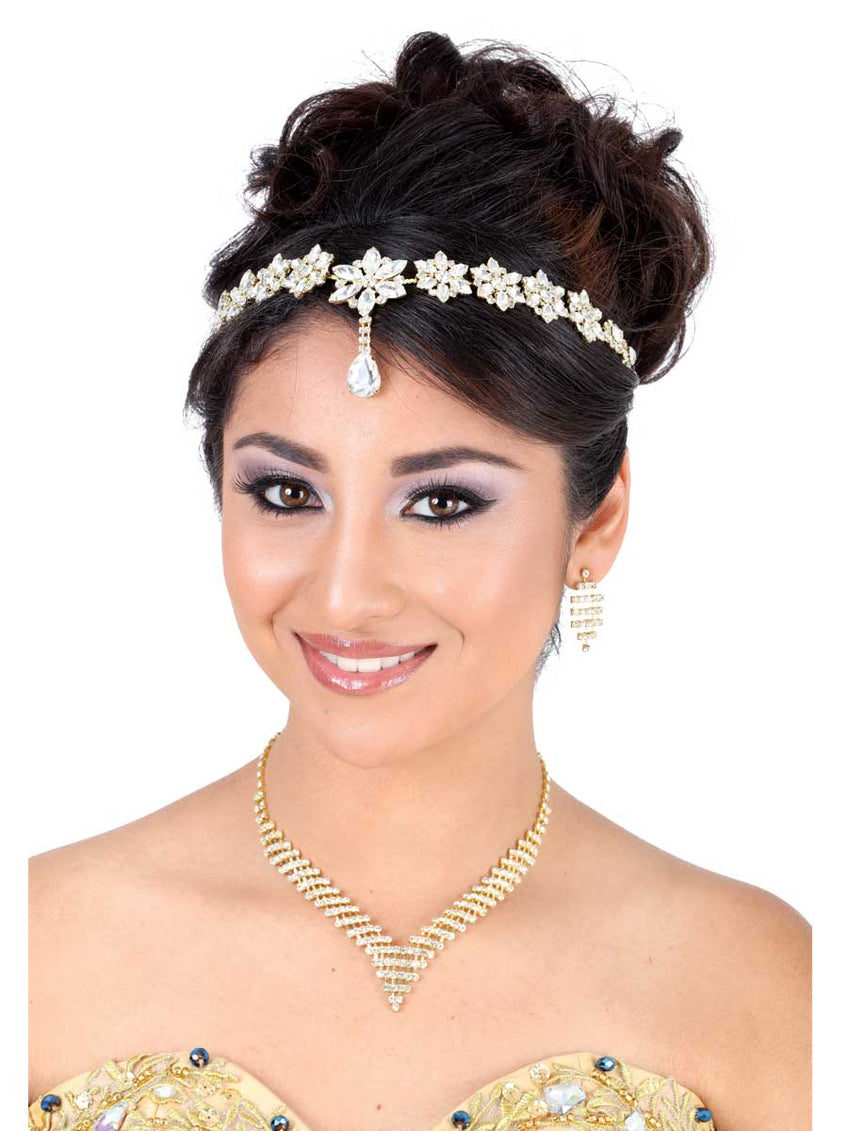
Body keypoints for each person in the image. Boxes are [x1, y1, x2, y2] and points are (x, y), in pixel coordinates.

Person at [28, 29, 811, 1131]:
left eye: (441, 503)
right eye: (286, 492)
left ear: (595, 523)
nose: (346, 594)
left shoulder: (759, 983)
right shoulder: (41, 947)